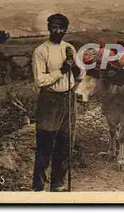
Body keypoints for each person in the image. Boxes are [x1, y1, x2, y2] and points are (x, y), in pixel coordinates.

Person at [31, 13, 84, 192]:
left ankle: (57, 184)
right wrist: (61, 70)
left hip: (68, 99)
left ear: (66, 30)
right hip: (49, 100)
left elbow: (82, 74)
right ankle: (38, 187)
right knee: (45, 145)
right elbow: (40, 80)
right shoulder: (41, 51)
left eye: (61, 28)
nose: (57, 31)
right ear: (48, 27)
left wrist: (74, 69)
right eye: (54, 27)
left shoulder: (69, 48)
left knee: (65, 144)